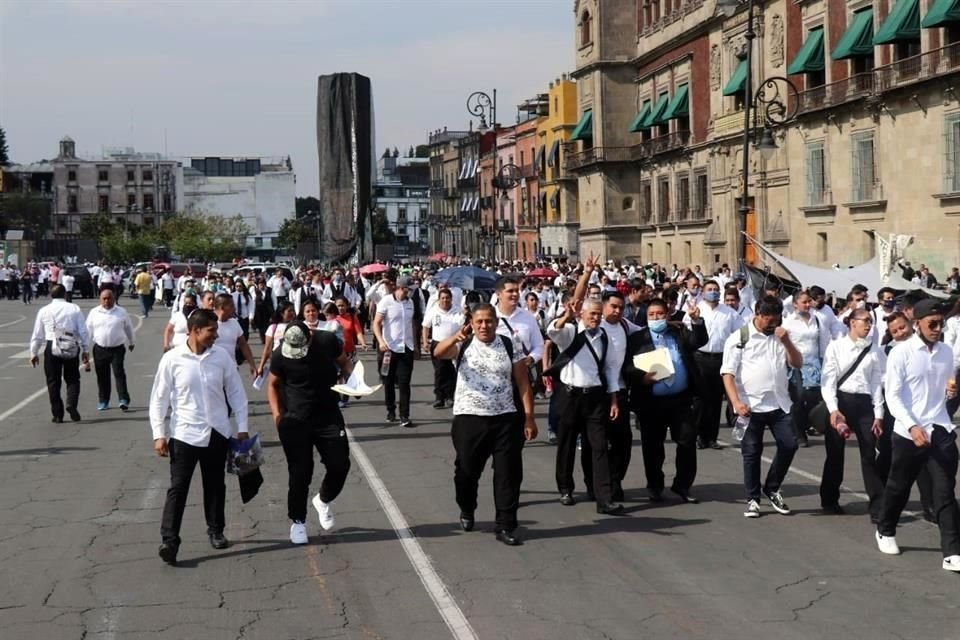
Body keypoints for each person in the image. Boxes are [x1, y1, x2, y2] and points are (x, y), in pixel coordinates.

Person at [149, 309, 249, 565]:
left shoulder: (222, 357)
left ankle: (216, 530)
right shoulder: (172, 359)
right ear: (194, 331)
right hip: (184, 434)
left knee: (215, 485)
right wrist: (159, 434)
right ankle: (169, 540)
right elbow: (159, 398)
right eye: (211, 331)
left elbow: (236, 392)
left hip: (217, 432)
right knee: (177, 489)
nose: (216, 335)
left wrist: (242, 426)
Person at [433, 303, 537, 546]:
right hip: (470, 419)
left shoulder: (510, 344)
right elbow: (438, 352)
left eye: (489, 321)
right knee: (466, 472)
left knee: (508, 474)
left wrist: (529, 417)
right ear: (472, 322)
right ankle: (467, 507)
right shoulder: (463, 344)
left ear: (496, 322)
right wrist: (455, 337)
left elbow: (523, 383)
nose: (484, 326)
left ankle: (505, 525)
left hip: (505, 419)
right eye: (479, 321)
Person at [876, 299, 960, 571]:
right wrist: (912, 426)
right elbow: (893, 396)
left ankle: (951, 551)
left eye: (941, 323)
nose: (938, 328)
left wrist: (949, 392)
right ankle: (885, 529)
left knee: (945, 491)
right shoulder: (901, 353)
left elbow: (946, 383)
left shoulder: (947, 352)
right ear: (917, 325)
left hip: (939, 429)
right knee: (899, 487)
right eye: (932, 324)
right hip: (908, 432)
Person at [267, 321, 355, 544]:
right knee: (300, 472)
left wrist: (354, 383)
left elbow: (345, 363)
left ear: (311, 338)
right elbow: (273, 385)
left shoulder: (327, 341)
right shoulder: (279, 355)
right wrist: (277, 415)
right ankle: (298, 521)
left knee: (340, 464)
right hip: (296, 419)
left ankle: (323, 499)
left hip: (328, 416)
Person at [721, 296, 803, 518]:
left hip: (779, 403)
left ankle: (772, 488)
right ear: (757, 314)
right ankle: (753, 499)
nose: (772, 325)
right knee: (752, 453)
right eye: (768, 320)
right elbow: (728, 374)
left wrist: (786, 341)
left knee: (789, 445)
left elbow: (797, 363)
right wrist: (736, 402)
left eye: (776, 320)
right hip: (750, 406)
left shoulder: (781, 335)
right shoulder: (739, 338)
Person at [624, 298, 707, 504]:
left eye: (660, 314)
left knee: (687, 441)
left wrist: (697, 321)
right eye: (651, 315)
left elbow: (699, 341)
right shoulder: (636, 339)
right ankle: (654, 485)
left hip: (680, 400)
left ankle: (683, 485)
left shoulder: (678, 332)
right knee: (652, 446)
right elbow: (625, 367)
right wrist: (640, 377)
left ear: (667, 315)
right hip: (651, 401)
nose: (656, 318)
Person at [547, 298, 625, 515]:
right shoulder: (571, 333)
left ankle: (603, 497)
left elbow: (610, 369)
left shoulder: (604, 337)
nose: (596, 318)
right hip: (570, 396)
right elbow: (553, 332)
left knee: (599, 446)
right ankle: (565, 487)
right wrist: (565, 317)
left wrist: (613, 399)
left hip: (595, 398)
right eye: (592, 314)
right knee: (567, 444)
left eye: (599, 314)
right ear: (582, 313)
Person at [818, 308, 888, 520]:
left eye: (870, 322)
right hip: (841, 402)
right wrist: (833, 409)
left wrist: (879, 413)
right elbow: (828, 380)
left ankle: (878, 507)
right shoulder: (836, 346)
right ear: (851, 323)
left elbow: (877, 382)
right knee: (835, 454)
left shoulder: (875, 351)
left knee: (869, 453)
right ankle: (829, 500)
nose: (868, 325)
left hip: (865, 404)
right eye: (864, 321)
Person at [687, 279, 743, 450]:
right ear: (703, 292)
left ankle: (711, 437)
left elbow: (741, 333)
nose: (714, 292)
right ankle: (697, 435)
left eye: (716, 289)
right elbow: (687, 333)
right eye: (710, 289)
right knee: (699, 400)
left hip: (720, 359)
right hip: (699, 358)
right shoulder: (695, 309)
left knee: (715, 400)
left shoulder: (729, 313)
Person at [29, 284, 91, 423]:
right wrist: (85, 349)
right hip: (70, 343)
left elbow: (37, 334)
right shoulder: (74, 308)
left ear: (51, 295)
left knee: (53, 381)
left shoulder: (44, 310)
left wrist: (33, 353)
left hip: (52, 345)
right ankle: (71, 404)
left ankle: (57, 414)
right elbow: (83, 331)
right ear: (65, 294)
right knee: (73, 378)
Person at [782, 290, 831, 448]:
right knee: (798, 397)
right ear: (795, 304)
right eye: (804, 302)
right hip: (797, 363)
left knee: (814, 397)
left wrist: (826, 362)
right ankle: (799, 433)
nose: (808, 305)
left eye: (809, 301)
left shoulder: (817, 320)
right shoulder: (789, 322)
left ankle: (808, 423)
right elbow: (783, 343)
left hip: (814, 363)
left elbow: (824, 342)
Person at [373, 275, 418, 427]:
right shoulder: (386, 301)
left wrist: (415, 345)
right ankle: (390, 410)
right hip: (389, 349)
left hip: (406, 348)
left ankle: (404, 415)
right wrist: (380, 341)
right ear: (401, 288)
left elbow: (411, 324)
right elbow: (376, 323)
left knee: (405, 383)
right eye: (409, 289)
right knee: (389, 382)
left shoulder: (410, 302)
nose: (411, 292)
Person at [85, 289, 135, 411]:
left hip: (117, 348)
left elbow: (129, 327)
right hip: (100, 349)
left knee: (119, 373)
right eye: (104, 299)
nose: (107, 301)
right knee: (102, 376)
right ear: (100, 299)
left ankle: (123, 399)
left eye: (109, 298)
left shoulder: (121, 312)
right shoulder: (94, 312)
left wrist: (131, 341)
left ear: (113, 299)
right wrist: (85, 348)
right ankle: (103, 400)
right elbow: (88, 331)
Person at [421, 288, 463, 409]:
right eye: (443, 298)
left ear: (451, 299)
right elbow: (425, 326)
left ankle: (450, 396)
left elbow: (462, 326)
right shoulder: (433, 311)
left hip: (453, 344)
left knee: (451, 370)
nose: (445, 300)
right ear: (439, 299)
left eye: (447, 298)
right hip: (438, 344)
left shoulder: (457, 310)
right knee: (440, 371)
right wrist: (425, 342)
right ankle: (439, 397)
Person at [212, 294, 257, 376]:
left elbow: (243, 344)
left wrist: (252, 364)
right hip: (213, 370)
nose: (235, 309)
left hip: (232, 369)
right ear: (222, 307)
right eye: (232, 306)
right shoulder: (209, 324)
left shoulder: (234, 323)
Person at [257, 302, 297, 376]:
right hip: (278, 362)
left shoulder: (297, 325)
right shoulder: (273, 328)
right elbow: (267, 349)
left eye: (293, 310)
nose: (292, 313)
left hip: (294, 362)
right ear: (282, 313)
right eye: (289, 311)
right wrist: (261, 366)